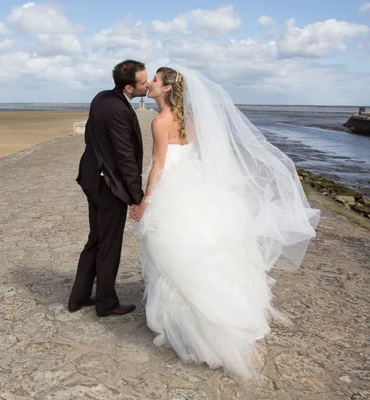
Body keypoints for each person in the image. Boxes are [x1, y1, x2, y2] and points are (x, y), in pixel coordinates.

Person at [130, 66, 320, 379]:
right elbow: (191, 156)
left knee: (172, 253)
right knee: (201, 251)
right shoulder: (187, 120)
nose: (148, 84)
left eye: (155, 81)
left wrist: (143, 203)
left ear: (166, 89)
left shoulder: (160, 121)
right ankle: (210, 314)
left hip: (172, 191)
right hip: (195, 186)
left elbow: (159, 167)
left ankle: (182, 323)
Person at [68, 59, 149, 317]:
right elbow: (125, 156)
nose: (147, 85)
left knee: (96, 238)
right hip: (108, 185)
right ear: (128, 87)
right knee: (109, 244)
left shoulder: (101, 98)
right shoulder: (118, 110)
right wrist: (137, 197)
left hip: (92, 178)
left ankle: (79, 296)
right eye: (143, 82)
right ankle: (106, 303)